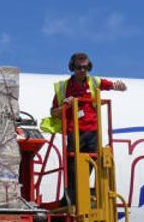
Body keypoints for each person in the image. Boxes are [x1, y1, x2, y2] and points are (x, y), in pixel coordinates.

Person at [41, 52, 127, 201]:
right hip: (74, 131)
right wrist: (65, 105)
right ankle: (70, 195)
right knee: (72, 165)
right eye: (79, 67)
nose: (82, 70)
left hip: (93, 131)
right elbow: (54, 112)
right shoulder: (63, 87)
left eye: (86, 68)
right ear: (72, 68)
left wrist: (118, 86)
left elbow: (110, 85)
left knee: (92, 162)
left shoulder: (93, 82)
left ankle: (81, 192)